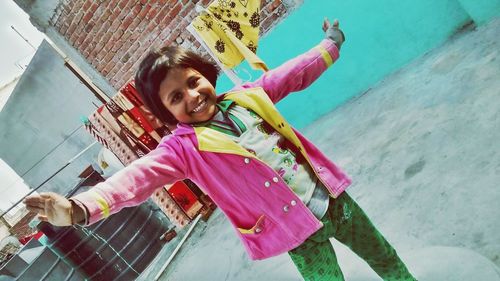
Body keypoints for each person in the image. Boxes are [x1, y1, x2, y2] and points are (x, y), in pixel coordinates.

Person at [24, 18, 417, 281]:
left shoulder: (247, 97)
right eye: (176, 97)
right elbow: (136, 178)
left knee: (384, 256)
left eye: (194, 82)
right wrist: (79, 208)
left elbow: (294, 74)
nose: (193, 97)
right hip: (296, 233)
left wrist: (331, 44)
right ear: (165, 111)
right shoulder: (180, 149)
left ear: (206, 75)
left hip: (333, 201)